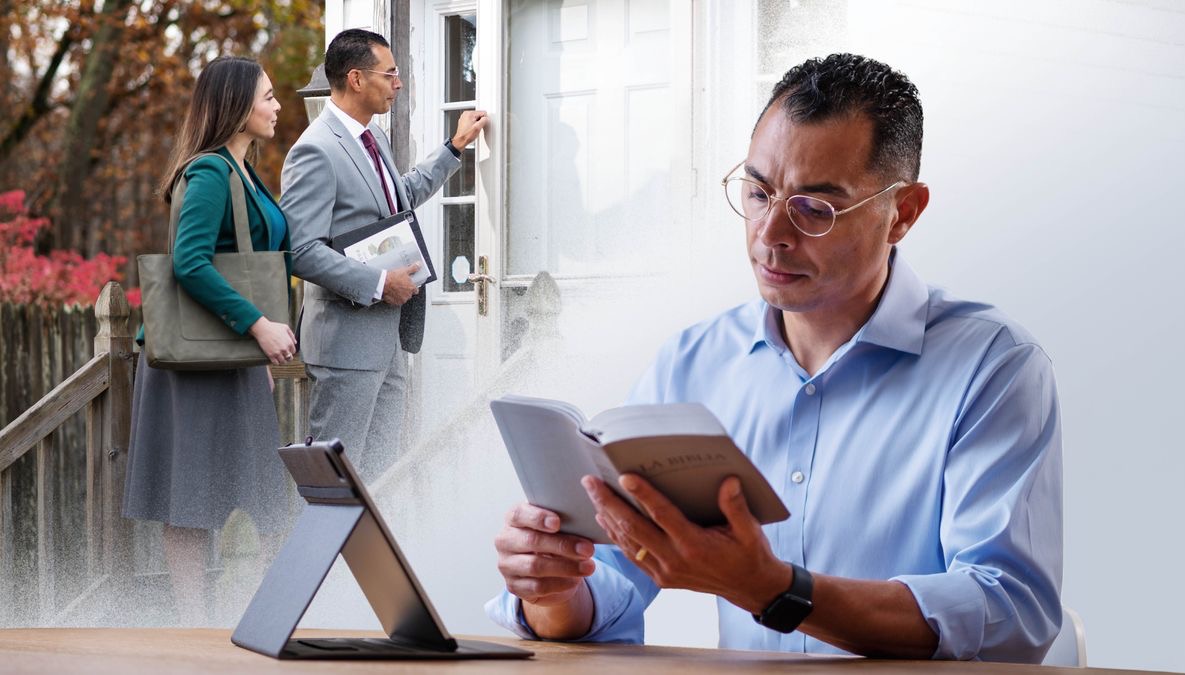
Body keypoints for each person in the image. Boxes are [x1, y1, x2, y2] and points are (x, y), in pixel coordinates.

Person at [487, 53, 1063, 663]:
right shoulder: (692, 362)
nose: (770, 234)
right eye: (759, 192)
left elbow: (1007, 612)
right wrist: (552, 584)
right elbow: (608, 582)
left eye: (816, 208)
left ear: (904, 213)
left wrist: (777, 592)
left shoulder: (993, 368)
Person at [123, 56, 297, 625]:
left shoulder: (245, 172)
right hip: (192, 363)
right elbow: (189, 262)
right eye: (268, 97)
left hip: (232, 354)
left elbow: (248, 259)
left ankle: (266, 618)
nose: (277, 107)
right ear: (238, 106)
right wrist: (259, 326)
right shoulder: (207, 172)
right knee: (191, 497)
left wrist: (254, 347)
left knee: (266, 495)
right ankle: (193, 630)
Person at [281, 29, 487, 481]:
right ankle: (328, 557)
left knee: (382, 480)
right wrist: (378, 284)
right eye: (390, 73)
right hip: (346, 346)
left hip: (388, 341)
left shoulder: (371, 139)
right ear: (356, 78)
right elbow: (299, 250)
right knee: (337, 480)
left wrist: (454, 149)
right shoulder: (316, 150)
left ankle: (374, 555)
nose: (398, 83)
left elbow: (401, 196)